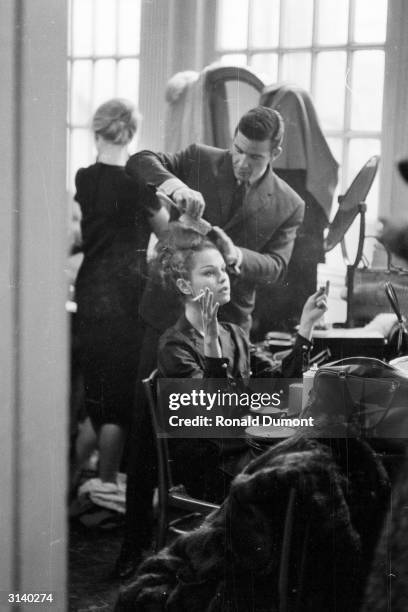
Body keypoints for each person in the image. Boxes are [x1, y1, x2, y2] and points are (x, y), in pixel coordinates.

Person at [117, 106, 305, 576]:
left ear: (275, 153)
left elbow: (277, 268)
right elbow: (139, 159)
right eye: (238, 150)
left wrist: (234, 253)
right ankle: (133, 547)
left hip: (231, 325)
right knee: (146, 435)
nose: (241, 162)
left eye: (254, 157)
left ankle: (221, 550)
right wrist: (174, 186)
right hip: (168, 315)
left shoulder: (288, 203)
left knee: (227, 428)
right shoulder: (201, 157)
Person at [115, 225, 324, 577]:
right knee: (295, 482)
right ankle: (269, 576)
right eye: (209, 273)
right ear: (185, 286)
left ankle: (286, 577)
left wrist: (305, 329)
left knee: (314, 465)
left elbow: (277, 384)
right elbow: (215, 415)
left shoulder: (233, 332)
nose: (223, 279)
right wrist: (210, 346)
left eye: (223, 270)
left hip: (241, 450)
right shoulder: (174, 345)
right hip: (207, 465)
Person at [71, 98, 168, 497]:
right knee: (119, 403)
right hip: (126, 296)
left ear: (96, 133)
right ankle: (108, 484)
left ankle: (73, 483)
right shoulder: (138, 186)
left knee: (94, 395)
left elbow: (85, 234)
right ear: (132, 133)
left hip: (90, 290)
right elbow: (167, 233)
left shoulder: (83, 178)